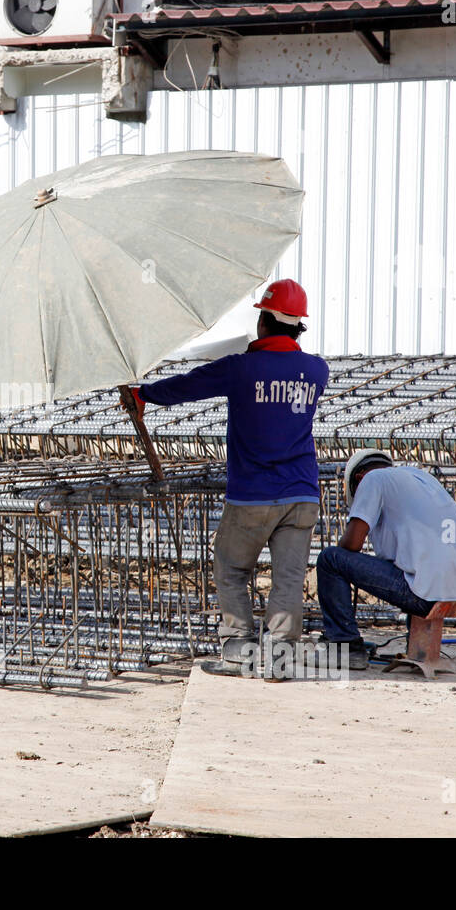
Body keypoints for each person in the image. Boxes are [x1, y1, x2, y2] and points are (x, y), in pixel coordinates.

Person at [123, 279, 328, 676]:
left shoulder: (241, 369)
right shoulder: (316, 370)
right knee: (288, 577)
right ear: (299, 325)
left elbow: (189, 385)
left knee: (232, 570)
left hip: (252, 495)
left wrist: (143, 394)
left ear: (264, 322)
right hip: (302, 495)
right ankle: (282, 659)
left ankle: (238, 650)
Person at [315, 449, 456, 669]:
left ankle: (343, 646)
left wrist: (348, 565)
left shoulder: (372, 479)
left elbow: (352, 544)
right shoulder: (422, 478)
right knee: (416, 570)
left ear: (358, 478)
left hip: (425, 596)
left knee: (331, 559)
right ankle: (416, 648)